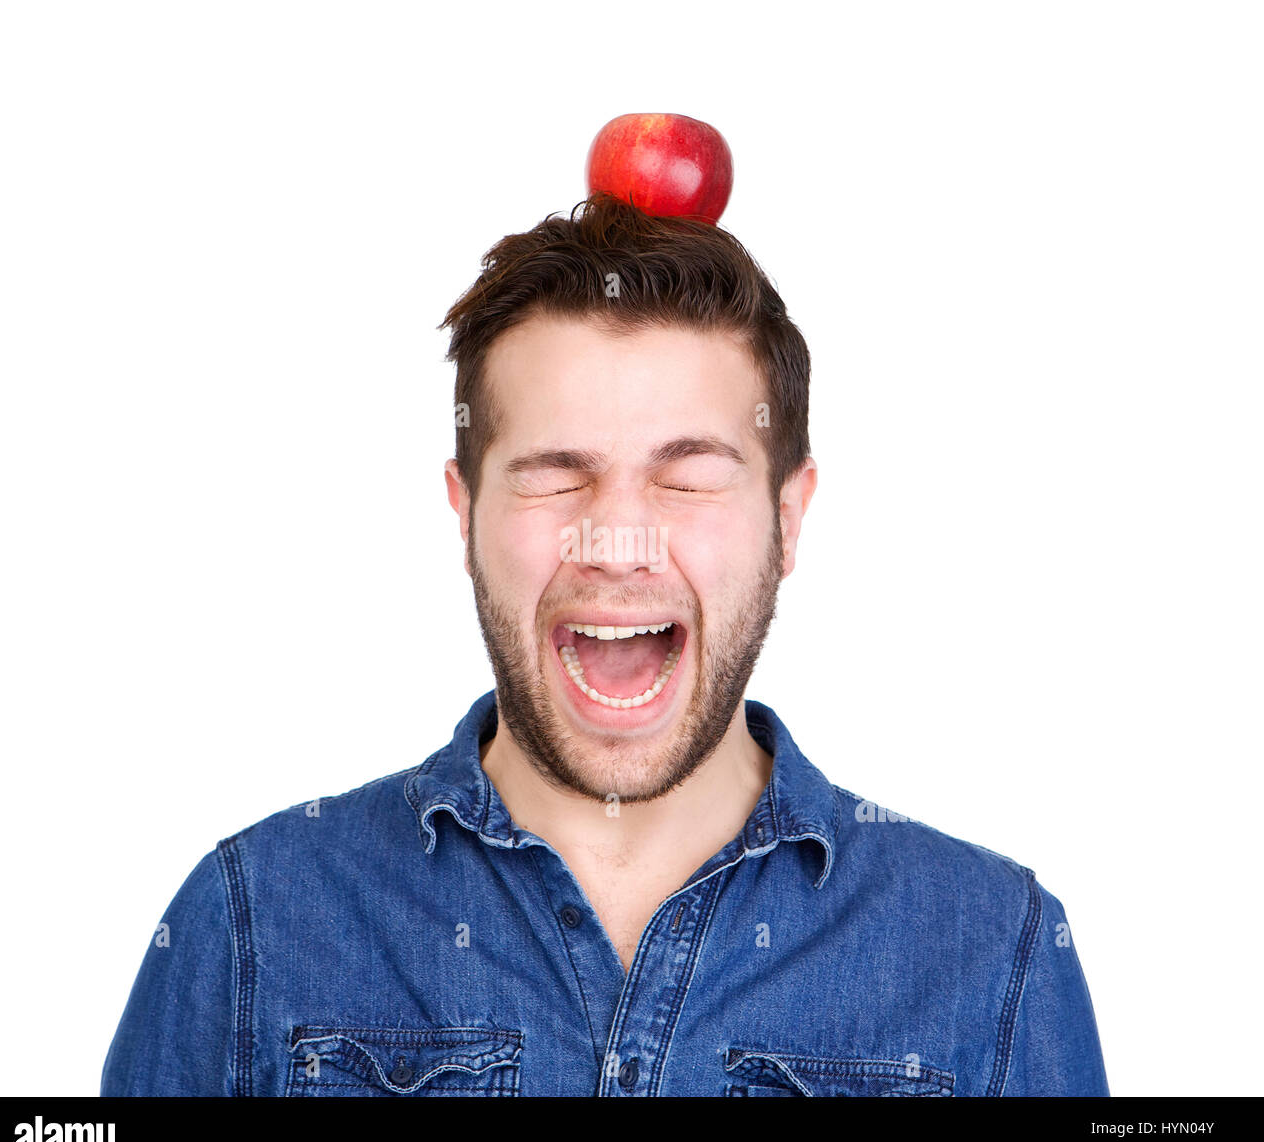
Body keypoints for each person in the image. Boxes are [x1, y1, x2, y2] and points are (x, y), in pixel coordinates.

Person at [102, 194, 1107, 1096]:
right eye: (554, 473)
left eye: (688, 475)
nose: (617, 542)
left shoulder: (992, 950)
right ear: (466, 515)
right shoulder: (250, 924)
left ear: (788, 519)